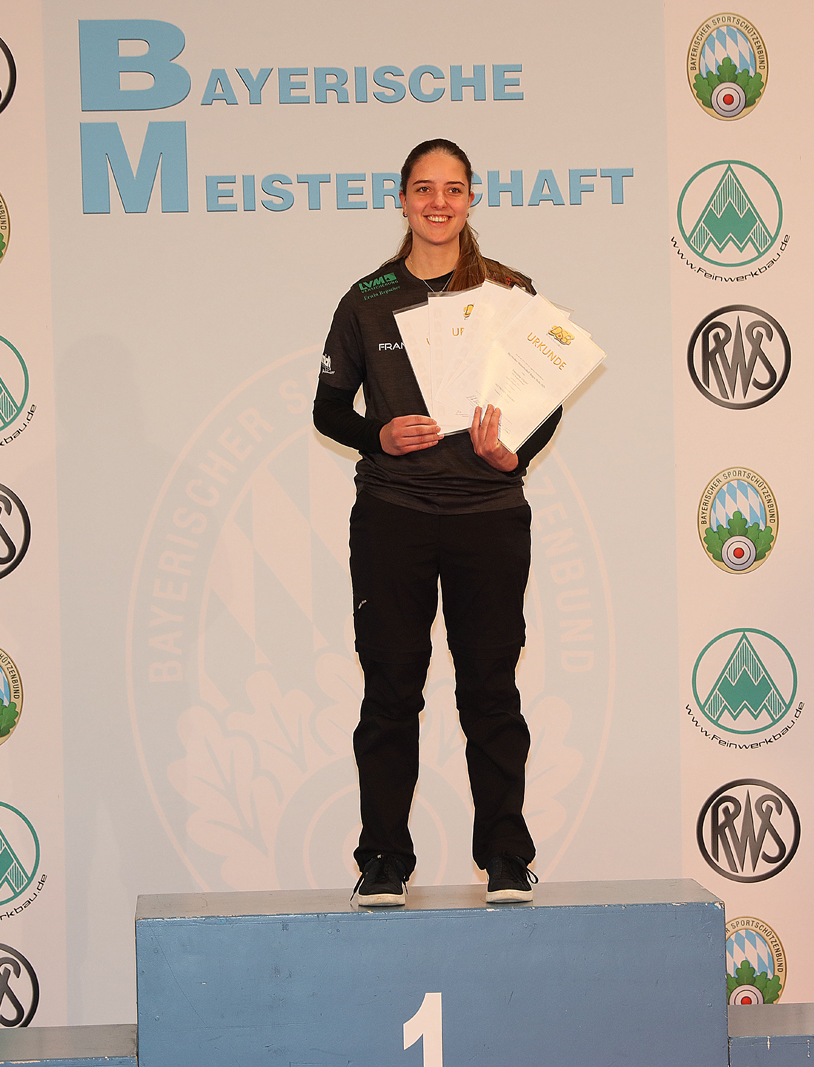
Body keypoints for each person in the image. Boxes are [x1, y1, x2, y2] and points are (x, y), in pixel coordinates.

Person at [313, 138, 561, 907]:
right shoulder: (366, 298)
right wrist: (377, 434)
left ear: (471, 198)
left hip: (489, 515)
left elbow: (545, 400)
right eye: (424, 188)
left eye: (453, 189)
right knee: (391, 689)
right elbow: (328, 409)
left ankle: (507, 858)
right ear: (402, 200)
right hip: (394, 515)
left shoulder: (511, 290)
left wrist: (515, 451)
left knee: (491, 689)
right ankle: (384, 860)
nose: (438, 202)